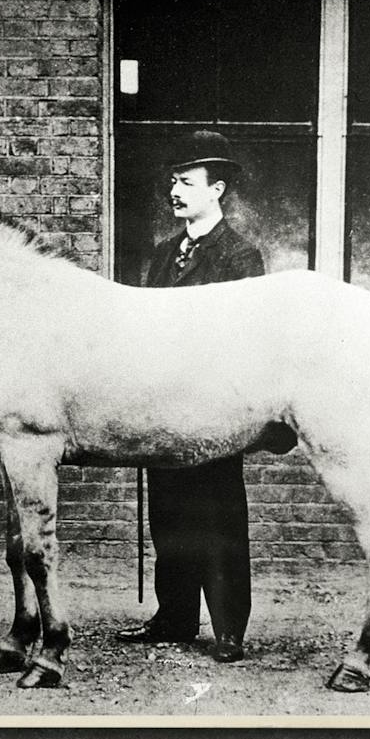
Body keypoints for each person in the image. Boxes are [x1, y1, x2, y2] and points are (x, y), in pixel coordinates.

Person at [117, 130, 267, 664]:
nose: (174, 191)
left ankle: (228, 628)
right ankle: (174, 617)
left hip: (213, 411)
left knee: (218, 515)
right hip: (164, 407)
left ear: (217, 189)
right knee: (169, 512)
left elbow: (241, 338)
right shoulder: (163, 255)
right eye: (172, 181)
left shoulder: (240, 257)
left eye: (186, 182)